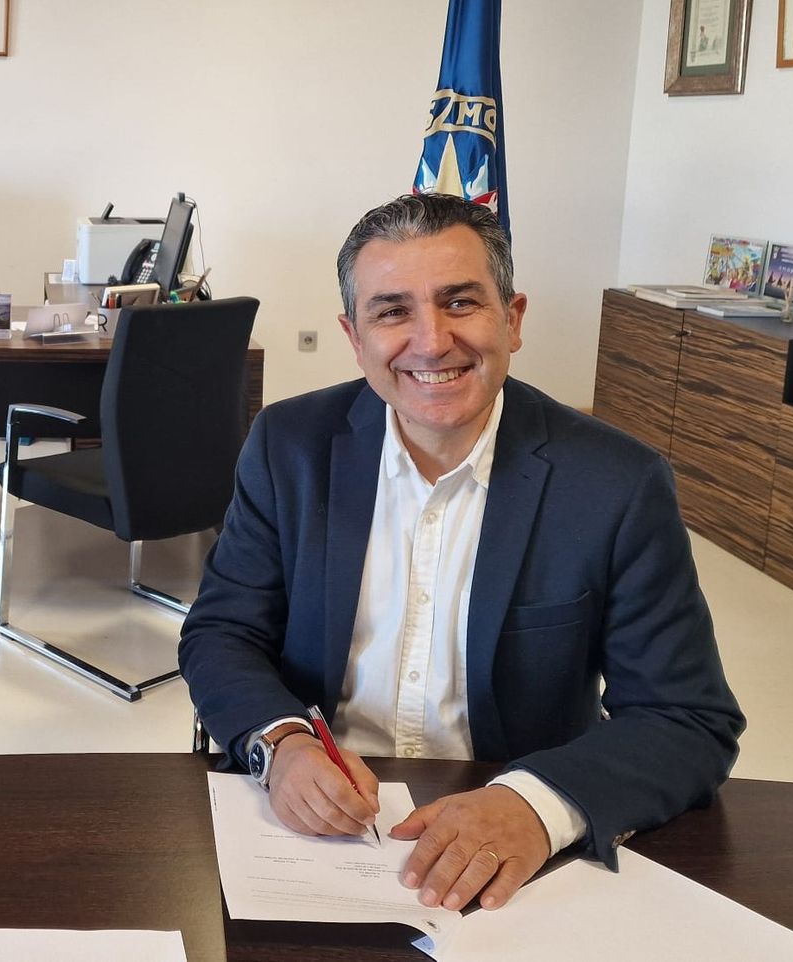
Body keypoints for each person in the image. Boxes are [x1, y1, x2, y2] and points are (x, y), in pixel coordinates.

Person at [179, 193, 742, 913]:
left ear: (512, 319)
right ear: (355, 338)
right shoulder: (289, 446)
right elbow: (224, 631)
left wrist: (535, 807)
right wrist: (281, 743)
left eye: (460, 302)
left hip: (517, 847)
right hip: (313, 834)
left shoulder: (616, 482)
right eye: (392, 311)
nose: (432, 340)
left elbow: (686, 718)